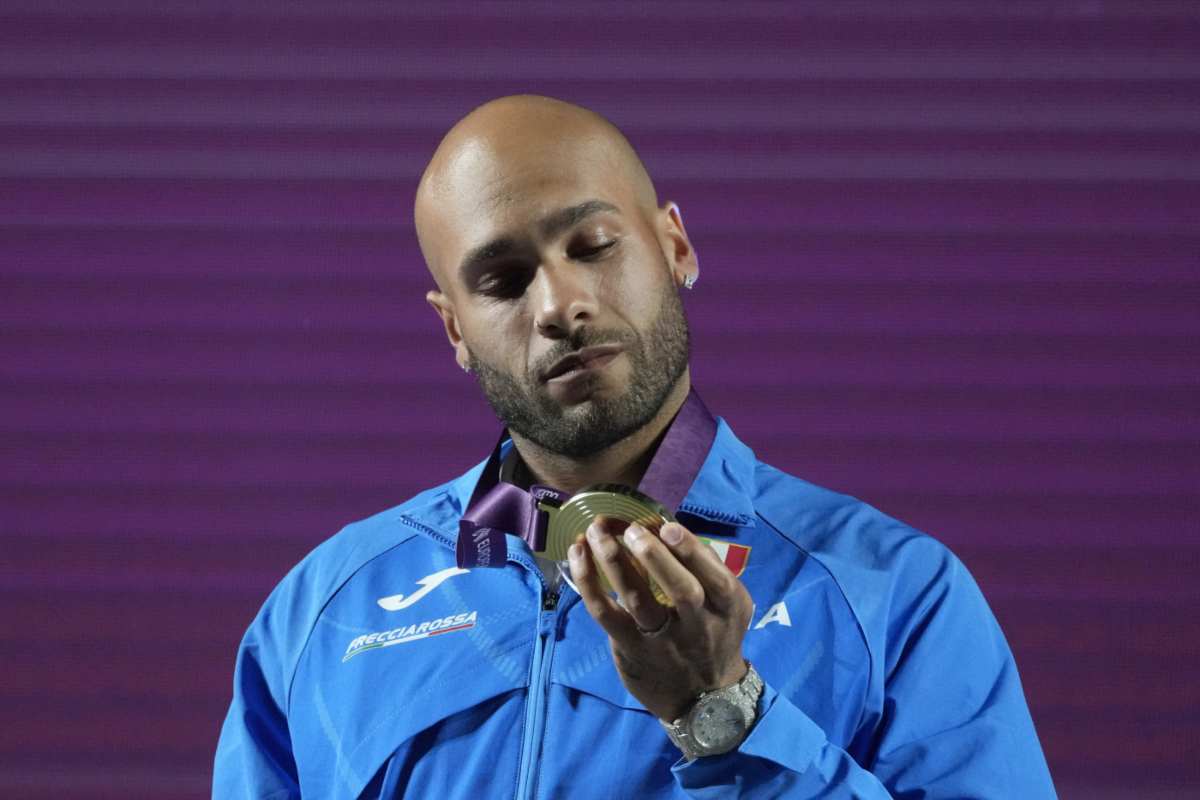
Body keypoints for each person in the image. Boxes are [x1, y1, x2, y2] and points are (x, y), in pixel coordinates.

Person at [213, 95, 1058, 799]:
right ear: (454, 330)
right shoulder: (321, 612)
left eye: (592, 246)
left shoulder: (895, 594)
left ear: (675, 247)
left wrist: (722, 712)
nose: (560, 305)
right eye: (502, 281)